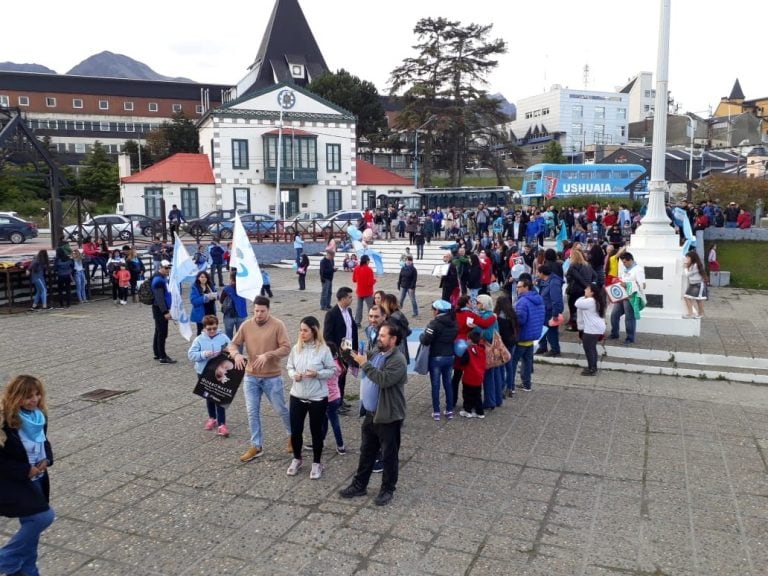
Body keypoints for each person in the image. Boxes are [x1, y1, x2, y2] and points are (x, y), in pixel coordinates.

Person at [339, 321, 407, 507]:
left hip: (388, 416)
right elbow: (360, 359)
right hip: (371, 414)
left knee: (389, 455)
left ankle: (387, 489)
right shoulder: (378, 353)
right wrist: (348, 353)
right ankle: (359, 485)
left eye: (383, 335)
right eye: (379, 335)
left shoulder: (398, 360)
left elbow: (383, 379)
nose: (379, 338)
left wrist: (364, 364)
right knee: (367, 451)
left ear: (393, 339)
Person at [0, 375, 56, 576]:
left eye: (37, 394)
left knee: (31, 536)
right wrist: (25, 469)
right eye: (28, 396)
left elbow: (44, 442)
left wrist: (47, 459)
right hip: (17, 482)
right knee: (43, 517)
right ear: (16, 397)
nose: (34, 399)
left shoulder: (38, 416)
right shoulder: (6, 423)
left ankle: (23, 571)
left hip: (39, 478)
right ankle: (5, 559)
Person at [229, 296, 292, 462]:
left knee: (281, 409)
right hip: (251, 376)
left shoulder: (278, 325)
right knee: (252, 411)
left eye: (262, 311)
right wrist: (236, 355)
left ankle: (293, 435)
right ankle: (256, 445)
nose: (259, 314)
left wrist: (269, 355)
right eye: (256, 310)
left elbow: (286, 348)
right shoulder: (246, 325)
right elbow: (233, 344)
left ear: (268, 310)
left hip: (272, 377)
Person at [285, 316, 336, 479]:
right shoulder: (296, 348)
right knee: (296, 430)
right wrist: (294, 375)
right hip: (297, 395)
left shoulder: (324, 349)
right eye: (300, 330)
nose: (302, 333)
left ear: (314, 330)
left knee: (316, 431)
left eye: (305, 330)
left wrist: (317, 374)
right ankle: (297, 458)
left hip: (317, 398)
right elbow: (289, 366)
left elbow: (332, 370)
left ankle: (316, 462)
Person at [187, 315, 232, 437]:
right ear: (204, 328)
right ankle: (212, 418)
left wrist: (228, 354)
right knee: (208, 396)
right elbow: (191, 355)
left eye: (214, 328)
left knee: (219, 397)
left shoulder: (223, 337)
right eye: (209, 329)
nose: (212, 331)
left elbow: (232, 349)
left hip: (219, 372)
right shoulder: (199, 340)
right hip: (203, 371)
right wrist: (203, 354)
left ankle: (222, 423)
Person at [420, 299, 458, 421]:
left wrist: (422, 335)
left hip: (436, 357)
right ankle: (449, 410)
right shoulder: (454, 322)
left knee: (435, 385)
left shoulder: (434, 324)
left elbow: (426, 340)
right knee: (448, 383)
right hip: (450, 356)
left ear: (437, 311)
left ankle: (436, 411)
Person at [323, 287, 358, 415]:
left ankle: (341, 399)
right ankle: (335, 403)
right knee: (337, 378)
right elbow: (327, 335)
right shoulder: (332, 314)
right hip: (338, 352)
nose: (351, 299)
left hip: (348, 350)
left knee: (343, 377)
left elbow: (352, 329)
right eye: (349, 297)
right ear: (342, 299)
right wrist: (336, 352)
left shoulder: (348, 310)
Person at [510, 276, 545, 392]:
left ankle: (511, 386)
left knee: (513, 362)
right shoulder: (538, 299)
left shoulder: (522, 302)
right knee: (527, 361)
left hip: (522, 336)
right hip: (533, 336)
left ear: (526, 287)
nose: (517, 289)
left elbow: (520, 320)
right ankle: (527, 384)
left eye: (519, 287)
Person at [609, 252, 646, 345]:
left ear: (630, 260)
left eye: (625, 262)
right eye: (623, 262)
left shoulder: (638, 270)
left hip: (631, 296)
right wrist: (617, 281)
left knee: (629, 318)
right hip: (622, 296)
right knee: (614, 315)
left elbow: (642, 285)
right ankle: (614, 333)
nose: (624, 264)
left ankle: (630, 338)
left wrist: (627, 285)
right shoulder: (625, 269)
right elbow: (622, 279)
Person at [575, 283, 606, 376]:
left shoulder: (590, 301)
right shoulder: (594, 300)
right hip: (595, 327)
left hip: (592, 328)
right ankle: (593, 367)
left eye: (587, 289)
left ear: (592, 292)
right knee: (592, 348)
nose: (585, 290)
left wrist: (583, 297)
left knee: (589, 348)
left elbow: (577, 303)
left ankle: (591, 368)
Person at [321, 342, 347, 455]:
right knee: (325, 420)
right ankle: (322, 441)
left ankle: (340, 445)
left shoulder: (329, 366)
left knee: (331, 422)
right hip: (336, 396)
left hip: (328, 398)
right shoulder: (338, 363)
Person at [535, 263, 564, 358]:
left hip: (550, 311)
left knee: (551, 331)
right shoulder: (545, 281)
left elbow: (556, 299)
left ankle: (555, 349)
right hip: (543, 310)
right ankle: (543, 347)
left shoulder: (554, 282)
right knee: (542, 329)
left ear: (542, 273)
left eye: (538, 272)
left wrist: (555, 313)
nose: (537, 274)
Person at [151, 259, 176, 364]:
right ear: (160, 267)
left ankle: (157, 352)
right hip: (160, 309)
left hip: (158, 308)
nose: (168, 270)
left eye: (169, 268)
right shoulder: (159, 280)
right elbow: (159, 298)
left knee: (158, 331)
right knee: (162, 333)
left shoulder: (161, 277)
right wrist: (165, 311)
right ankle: (162, 356)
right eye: (166, 268)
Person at [494, 293, 519, 398]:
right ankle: (511, 387)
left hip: (502, 344)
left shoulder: (497, 317)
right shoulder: (513, 315)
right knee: (510, 366)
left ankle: (502, 388)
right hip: (512, 342)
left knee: (501, 366)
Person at [459, 331, 486, 418]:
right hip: (479, 377)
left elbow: (463, 362)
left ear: (470, 340)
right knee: (477, 395)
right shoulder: (482, 350)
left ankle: (468, 410)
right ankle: (480, 412)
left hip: (469, 377)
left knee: (467, 395)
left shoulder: (468, 351)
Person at [220, 272, 248, 339]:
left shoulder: (227, 289)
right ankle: (239, 350)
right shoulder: (244, 288)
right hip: (241, 314)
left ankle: (230, 349)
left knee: (228, 336)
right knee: (240, 337)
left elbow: (221, 301)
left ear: (231, 279)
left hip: (229, 315)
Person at [683, 249, 709, 319]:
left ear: (692, 258)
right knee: (688, 298)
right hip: (693, 285)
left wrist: (685, 268)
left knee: (698, 300)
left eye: (688, 257)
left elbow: (688, 275)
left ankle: (698, 314)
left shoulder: (696, 265)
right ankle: (692, 313)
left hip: (698, 285)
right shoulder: (692, 265)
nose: (687, 259)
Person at [190, 271, 217, 335]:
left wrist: (215, 296)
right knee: (201, 332)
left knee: (212, 331)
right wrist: (205, 298)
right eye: (202, 277)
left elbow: (216, 293)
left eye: (205, 277)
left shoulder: (210, 285)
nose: (204, 278)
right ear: (198, 278)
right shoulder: (195, 287)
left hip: (211, 312)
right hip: (201, 314)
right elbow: (194, 301)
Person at [352, 254, 376, 325]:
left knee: (359, 307)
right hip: (367, 292)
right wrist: (374, 280)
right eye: (369, 260)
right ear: (366, 261)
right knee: (371, 308)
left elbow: (354, 280)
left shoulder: (356, 268)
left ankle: (357, 321)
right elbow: (370, 283)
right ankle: (371, 322)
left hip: (359, 291)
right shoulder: (369, 270)